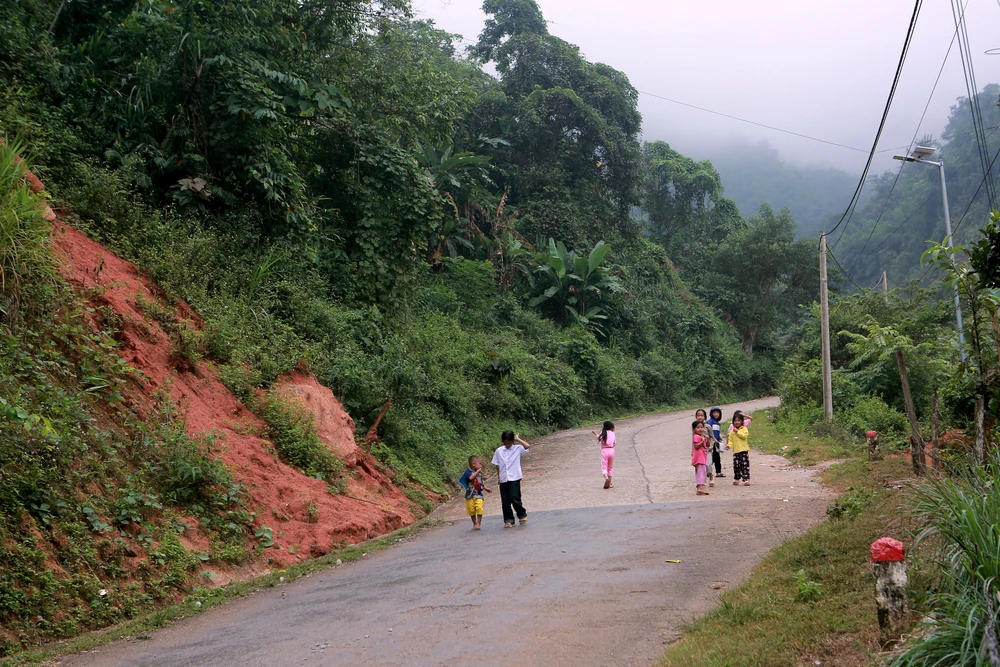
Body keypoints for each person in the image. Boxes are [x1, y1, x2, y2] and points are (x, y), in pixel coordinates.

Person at [492, 431, 531, 528]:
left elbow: (527, 446)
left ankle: (522, 514)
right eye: (505, 443)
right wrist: (499, 477)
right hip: (503, 478)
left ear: (512, 441)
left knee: (515, 497)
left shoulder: (517, 448)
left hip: (514, 477)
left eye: (509, 443)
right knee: (505, 500)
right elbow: (497, 465)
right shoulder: (499, 451)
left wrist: (518, 439)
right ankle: (509, 520)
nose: (507, 445)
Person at [458, 455, 492, 530]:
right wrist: (477, 472)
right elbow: (471, 477)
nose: (481, 465)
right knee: (471, 510)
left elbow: (480, 483)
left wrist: (486, 488)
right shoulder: (468, 472)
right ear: (473, 464)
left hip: (478, 494)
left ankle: (478, 523)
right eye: (479, 463)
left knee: (479, 508)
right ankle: (474, 523)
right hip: (470, 495)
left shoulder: (478, 474)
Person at [592, 420, 616, 489]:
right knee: (610, 468)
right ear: (611, 427)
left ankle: (606, 478)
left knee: (604, 466)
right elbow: (614, 443)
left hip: (604, 451)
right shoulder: (612, 433)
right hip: (611, 450)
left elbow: (599, 438)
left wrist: (595, 434)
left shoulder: (603, 433)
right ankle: (610, 483)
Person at [729, 412, 751, 486]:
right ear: (733, 422)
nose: (737, 422)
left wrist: (737, 432)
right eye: (735, 421)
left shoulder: (744, 429)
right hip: (736, 451)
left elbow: (744, 436)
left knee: (745, 466)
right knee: (736, 465)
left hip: (744, 450)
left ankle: (746, 479)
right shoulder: (732, 431)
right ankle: (737, 478)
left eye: (738, 420)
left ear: (742, 421)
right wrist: (729, 446)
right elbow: (730, 440)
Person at [695, 409, 714, 486]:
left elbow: (712, 437)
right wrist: (693, 451)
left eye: (702, 415)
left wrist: (711, 446)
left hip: (707, 449)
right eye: (698, 415)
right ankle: (702, 481)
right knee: (700, 466)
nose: (700, 417)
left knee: (708, 464)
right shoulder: (695, 427)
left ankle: (711, 477)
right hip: (699, 450)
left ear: (705, 417)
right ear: (696, 417)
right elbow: (693, 439)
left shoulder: (708, 427)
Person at [692, 419, 711, 495]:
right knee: (700, 472)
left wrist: (707, 438)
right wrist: (702, 441)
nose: (700, 429)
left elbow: (708, 445)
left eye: (701, 427)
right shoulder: (696, 436)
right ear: (694, 429)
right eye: (698, 428)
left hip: (702, 456)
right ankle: (700, 488)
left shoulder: (702, 436)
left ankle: (700, 488)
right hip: (699, 457)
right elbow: (696, 446)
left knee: (702, 472)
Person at [707, 407, 725, 477]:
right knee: (711, 458)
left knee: (717, 457)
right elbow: (709, 433)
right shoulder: (710, 422)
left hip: (716, 443)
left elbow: (717, 432)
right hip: (711, 443)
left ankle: (718, 472)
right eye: (714, 413)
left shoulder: (717, 423)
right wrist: (714, 439)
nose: (716, 414)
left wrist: (719, 438)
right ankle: (708, 472)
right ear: (711, 414)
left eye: (718, 413)